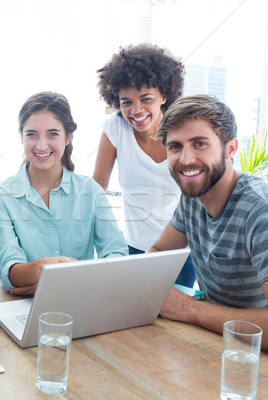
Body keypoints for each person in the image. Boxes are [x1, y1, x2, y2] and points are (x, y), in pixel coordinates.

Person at [150, 94, 268, 364]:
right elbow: (158, 253)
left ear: (231, 148)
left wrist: (190, 309)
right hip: (216, 345)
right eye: (175, 147)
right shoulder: (192, 199)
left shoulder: (264, 210)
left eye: (199, 144)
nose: (186, 159)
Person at [0, 91, 127, 295]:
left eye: (52, 134)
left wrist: (57, 283)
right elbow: (9, 273)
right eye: (32, 134)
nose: (41, 145)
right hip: (24, 305)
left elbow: (117, 255)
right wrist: (42, 268)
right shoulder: (0, 197)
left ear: (68, 137)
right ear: (22, 137)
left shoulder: (90, 191)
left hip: (84, 299)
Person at [92, 43, 196, 287]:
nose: (136, 110)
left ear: (164, 95)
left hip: (181, 253)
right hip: (132, 249)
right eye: (126, 102)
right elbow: (96, 192)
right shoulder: (115, 128)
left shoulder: (183, 131)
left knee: (174, 323)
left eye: (146, 99)